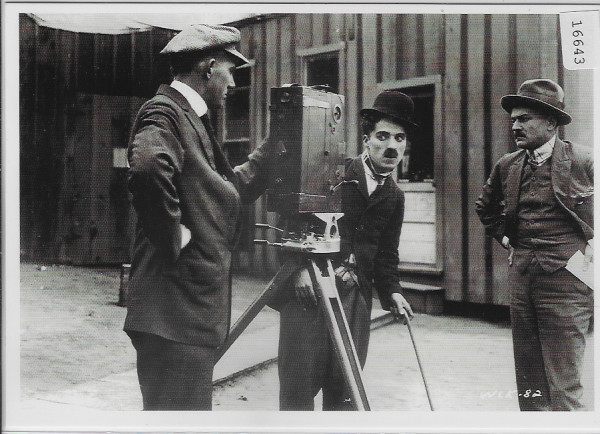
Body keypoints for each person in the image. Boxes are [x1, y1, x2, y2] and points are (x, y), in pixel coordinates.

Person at [123, 24, 274, 411]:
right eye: (231, 70)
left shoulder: (191, 117)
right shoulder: (165, 110)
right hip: (174, 315)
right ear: (208, 68)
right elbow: (147, 168)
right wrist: (174, 235)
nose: (233, 83)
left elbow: (222, 188)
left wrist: (275, 150)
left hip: (184, 316)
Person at [276, 90, 415, 410]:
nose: (391, 146)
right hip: (309, 294)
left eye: (400, 138)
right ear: (366, 139)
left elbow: (386, 254)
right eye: (382, 136)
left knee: (345, 389)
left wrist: (392, 291)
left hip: (355, 301)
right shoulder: (333, 174)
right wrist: (297, 271)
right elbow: (289, 224)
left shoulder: (394, 196)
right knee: (299, 389)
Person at [475, 79, 593, 411]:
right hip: (522, 278)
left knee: (564, 383)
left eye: (524, 118)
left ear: (551, 122)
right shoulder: (508, 165)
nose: (515, 126)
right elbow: (484, 207)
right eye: (514, 119)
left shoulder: (584, 161)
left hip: (567, 282)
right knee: (529, 381)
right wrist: (506, 236)